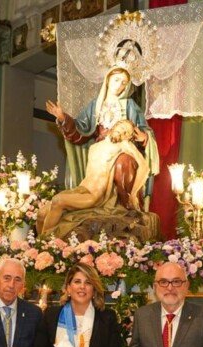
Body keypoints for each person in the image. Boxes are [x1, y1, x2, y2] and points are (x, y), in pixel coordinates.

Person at [44, 66, 160, 240]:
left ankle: (124, 203)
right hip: (101, 152)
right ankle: (45, 240)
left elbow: (143, 133)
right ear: (107, 80)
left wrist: (144, 137)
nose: (119, 85)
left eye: (123, 83)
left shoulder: (130, 106)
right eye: (116, 80)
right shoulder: (96, 106)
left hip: (123, 149)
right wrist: (63, 118)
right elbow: (81, 131)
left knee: (123, 162)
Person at [37, 119, 150, 236]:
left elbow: (144, 167)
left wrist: (133, 192)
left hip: (94, 195)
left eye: (127, 132)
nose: (123, 132)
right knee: (41, 213)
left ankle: (45, 243)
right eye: (121, 127)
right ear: (114, 126)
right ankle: (38, 245)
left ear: (128, 137)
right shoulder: (95, 146)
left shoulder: (124, 145)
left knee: (58, 201)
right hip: (81, 189)